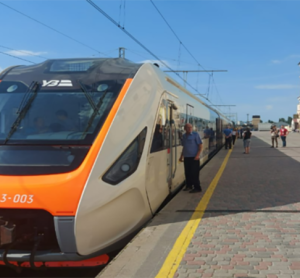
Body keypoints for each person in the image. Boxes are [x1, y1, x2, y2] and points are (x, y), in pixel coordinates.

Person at [179, 123, 203, 193]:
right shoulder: (184, 136)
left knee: (194, 173)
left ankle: (197, 188)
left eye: (191, 127)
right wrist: (181, 156)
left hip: (194, 157)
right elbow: (184, 147)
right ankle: (189, 186)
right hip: (187, 157)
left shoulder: (195, 135)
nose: (190, 129)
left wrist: (197, 155)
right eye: (188, 127)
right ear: (185, 128)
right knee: (187, 172)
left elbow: (200, 146)